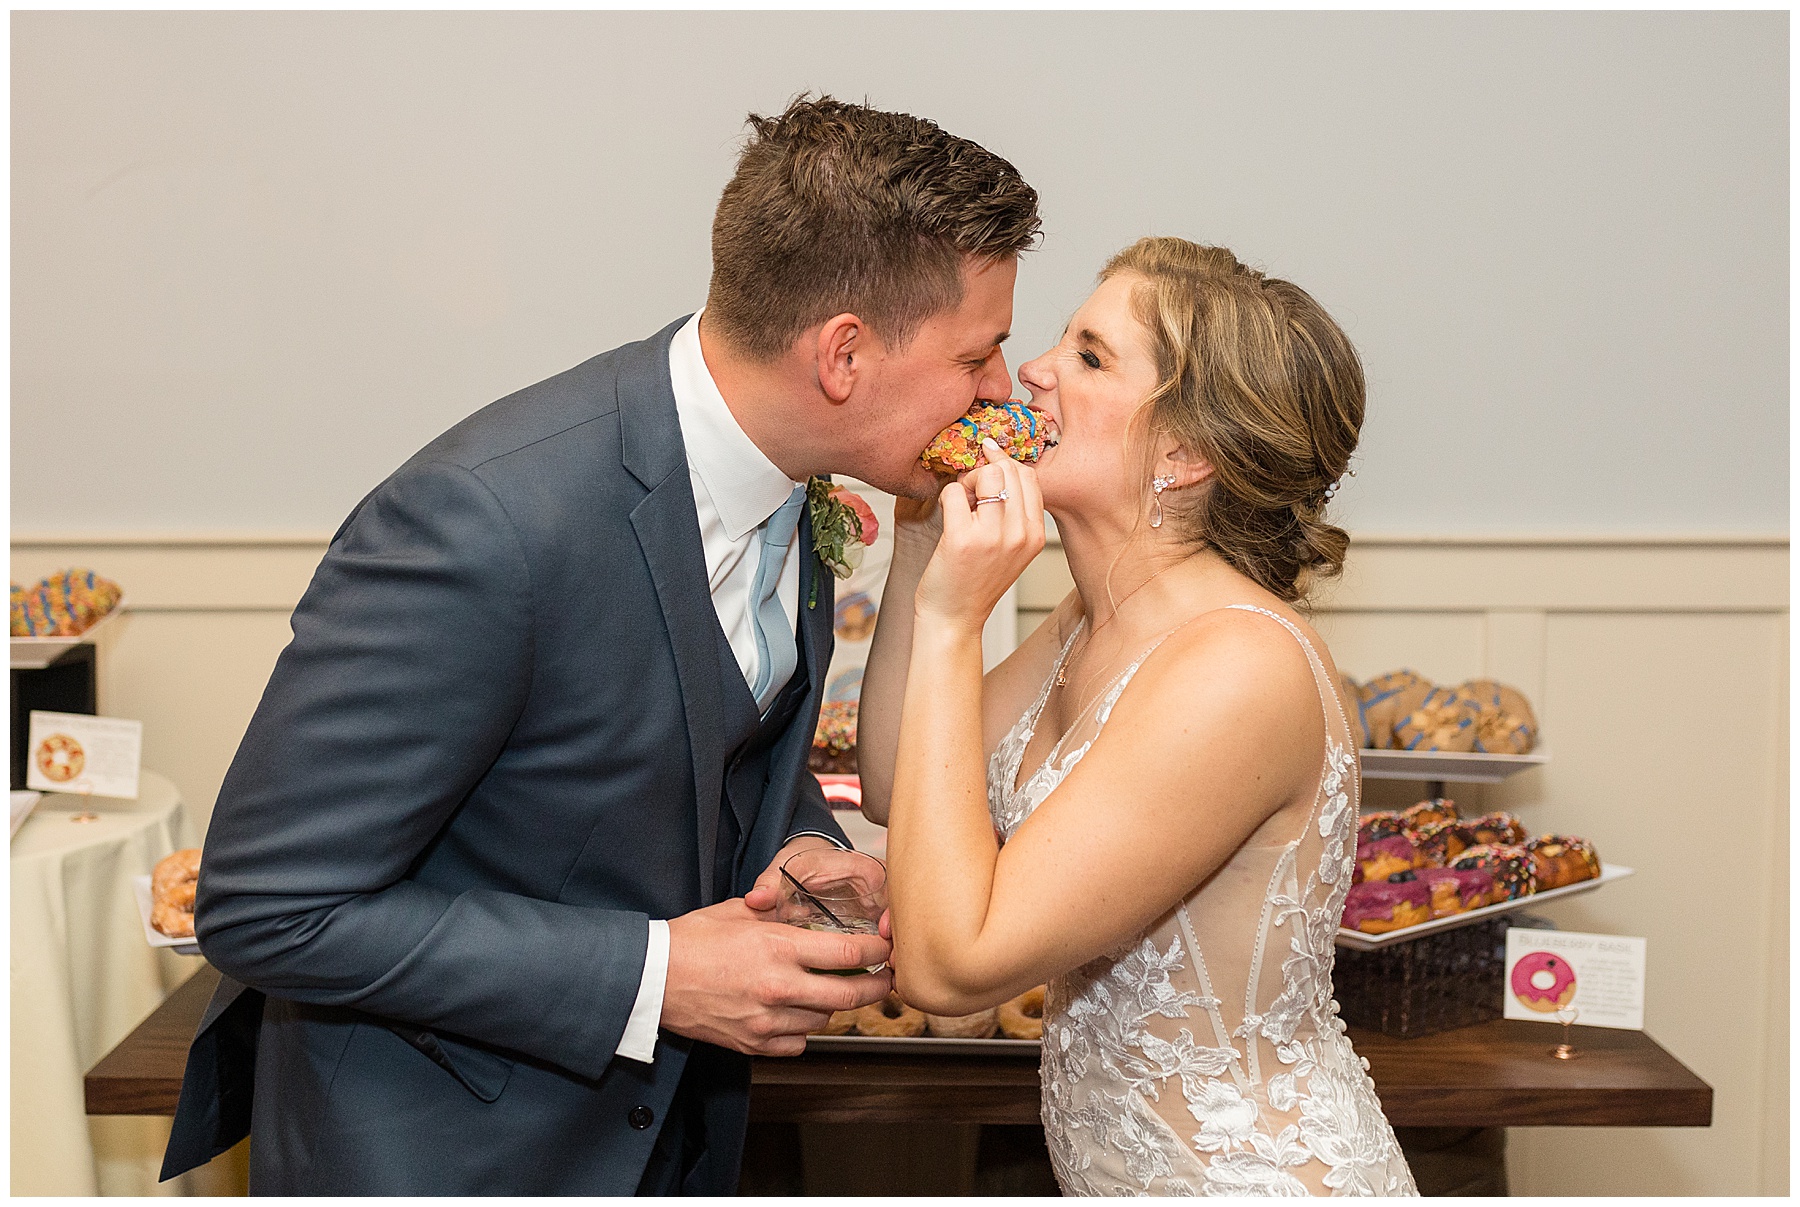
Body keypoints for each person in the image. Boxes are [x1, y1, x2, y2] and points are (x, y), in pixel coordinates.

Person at [159, 95, 1041, 1195]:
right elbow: (266, 906)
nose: (1002, 389)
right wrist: (659, 975)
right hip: (443, 1152)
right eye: (980, 352)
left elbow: (686, 748)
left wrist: (796, 845)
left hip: (659, 1139)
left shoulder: (794, 474)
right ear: (844, 355)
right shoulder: (482, 524)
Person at [859, 237, 1418, 1195]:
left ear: (1186, 451)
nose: (1031, 370)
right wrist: (920, 543)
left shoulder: (1237, 667)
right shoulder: (1089, 617)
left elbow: (952, 968)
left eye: (1088, 355)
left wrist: (957, 621)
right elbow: (892, 780)